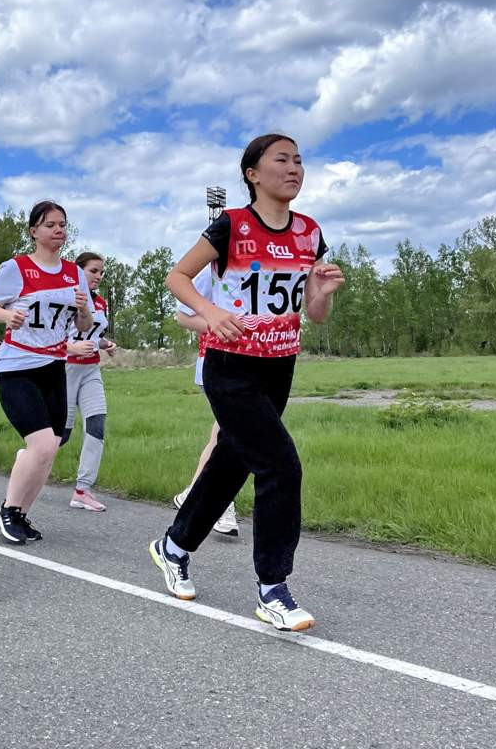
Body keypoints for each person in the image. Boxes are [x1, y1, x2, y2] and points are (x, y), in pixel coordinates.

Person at [149, 134, 344, 632]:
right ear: (252, 174)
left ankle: (174, 546)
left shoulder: (310, 232)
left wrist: (321, 293)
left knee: (230, 465)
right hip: (231, 366)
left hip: (279, 366)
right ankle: (273, 588)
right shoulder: (232, 224)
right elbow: (177, 277)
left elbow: (314, 314)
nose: (294, 168)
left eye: (299, 160)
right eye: (282, 159)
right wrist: (211, 312)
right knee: (281, 466)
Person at [0, 200, 94, 544]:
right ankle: (8, 509)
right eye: (50, 225)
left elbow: (84, 325)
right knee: (42, 443)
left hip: (54, 366)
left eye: (62, 225)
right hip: (18, 365)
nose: (58, 230)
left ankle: (20, 513)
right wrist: (6, 316)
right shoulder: (16, 268)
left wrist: (83, 309)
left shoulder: (74, 273)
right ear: (34, 231)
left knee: (51, 446)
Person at [171, 266, 239, 538]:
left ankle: (192, 494)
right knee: (230, 437)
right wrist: (221, 325)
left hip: (256, 365)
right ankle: (221, 506)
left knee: (225, 435)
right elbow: (183, 315)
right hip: (217, 362)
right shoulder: (217, 267)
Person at [61, 251, 117, 512]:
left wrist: (106, 344)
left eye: (101, 272)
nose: (99, 276)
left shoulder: (100, 302)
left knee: (97, 424)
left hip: (91, 370)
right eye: (93, 270)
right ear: (78, 271)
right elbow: (49, 336)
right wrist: (72, 348)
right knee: (61, 435)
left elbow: (93, 335)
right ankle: (27, 459)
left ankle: (82, 490)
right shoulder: (65, 297)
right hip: (65, 369)